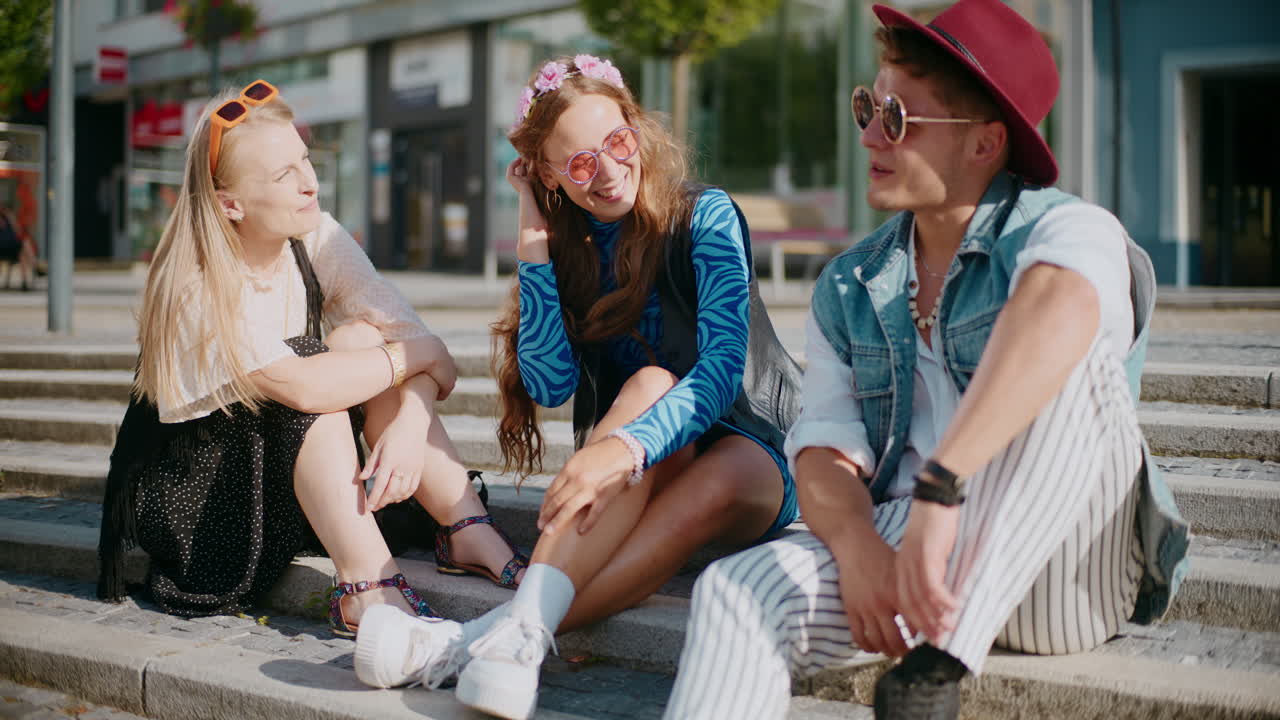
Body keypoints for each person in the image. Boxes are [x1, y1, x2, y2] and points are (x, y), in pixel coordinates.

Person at [660, 1, 1191, 718]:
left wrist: (944, 486)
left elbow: (1062, 311)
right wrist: (857, 549)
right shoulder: (850, 285)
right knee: (735, 588)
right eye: (868, 107)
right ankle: (925, 644)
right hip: (908, 551)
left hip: (1060, 568)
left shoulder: (1071, 229)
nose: (871, 135)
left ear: (983, 144)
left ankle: (935, 669)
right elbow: (819, 453)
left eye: (899, 119)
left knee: (1076, 368)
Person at [353, 54, 803, 719]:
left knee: (672, 402)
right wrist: (534, 245)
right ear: (552, 177)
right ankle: (518, 642)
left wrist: (621, 450)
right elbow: (549, 380)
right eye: (581, 164)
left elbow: (717, 373)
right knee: (649, 380)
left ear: (637, 133)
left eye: (618, 143)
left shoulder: (705, 217)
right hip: (640, 459)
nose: (610, 170)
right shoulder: (566, 249)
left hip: (745, 450)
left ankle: (467, 641)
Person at [95, 80, 527, 636]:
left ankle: (467, 527)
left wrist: (407, 425)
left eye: (305, 159)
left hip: (292, 476)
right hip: (207, 514)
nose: (310, 183)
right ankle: (368, 591)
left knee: (360, 339)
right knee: (323, 365)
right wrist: (421, 353)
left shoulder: (315, 236)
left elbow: (407, 339)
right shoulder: (196, 285)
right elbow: (314, 386)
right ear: (231, 204)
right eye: (284, 175)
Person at [0, 200, 35, 291]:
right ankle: (35, 265)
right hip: (2, 247)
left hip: (10, 246)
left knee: (22, 252)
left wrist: (11, 218)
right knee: (24, 244)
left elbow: (18, 231)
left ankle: (24, 283)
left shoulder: (9, 218)